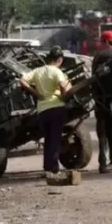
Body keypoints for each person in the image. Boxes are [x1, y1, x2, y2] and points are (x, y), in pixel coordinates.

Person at [18, 46, 71, 177]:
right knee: (55, 140)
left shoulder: (37, 71)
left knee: (48, 139)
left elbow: (22, 80)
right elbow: (64, 88)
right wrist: (65, 95)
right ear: (59, 59)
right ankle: (54, 170)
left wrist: (36, 93)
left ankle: (47, 168)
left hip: (42, 111)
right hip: (56, 108)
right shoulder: (57, 72)